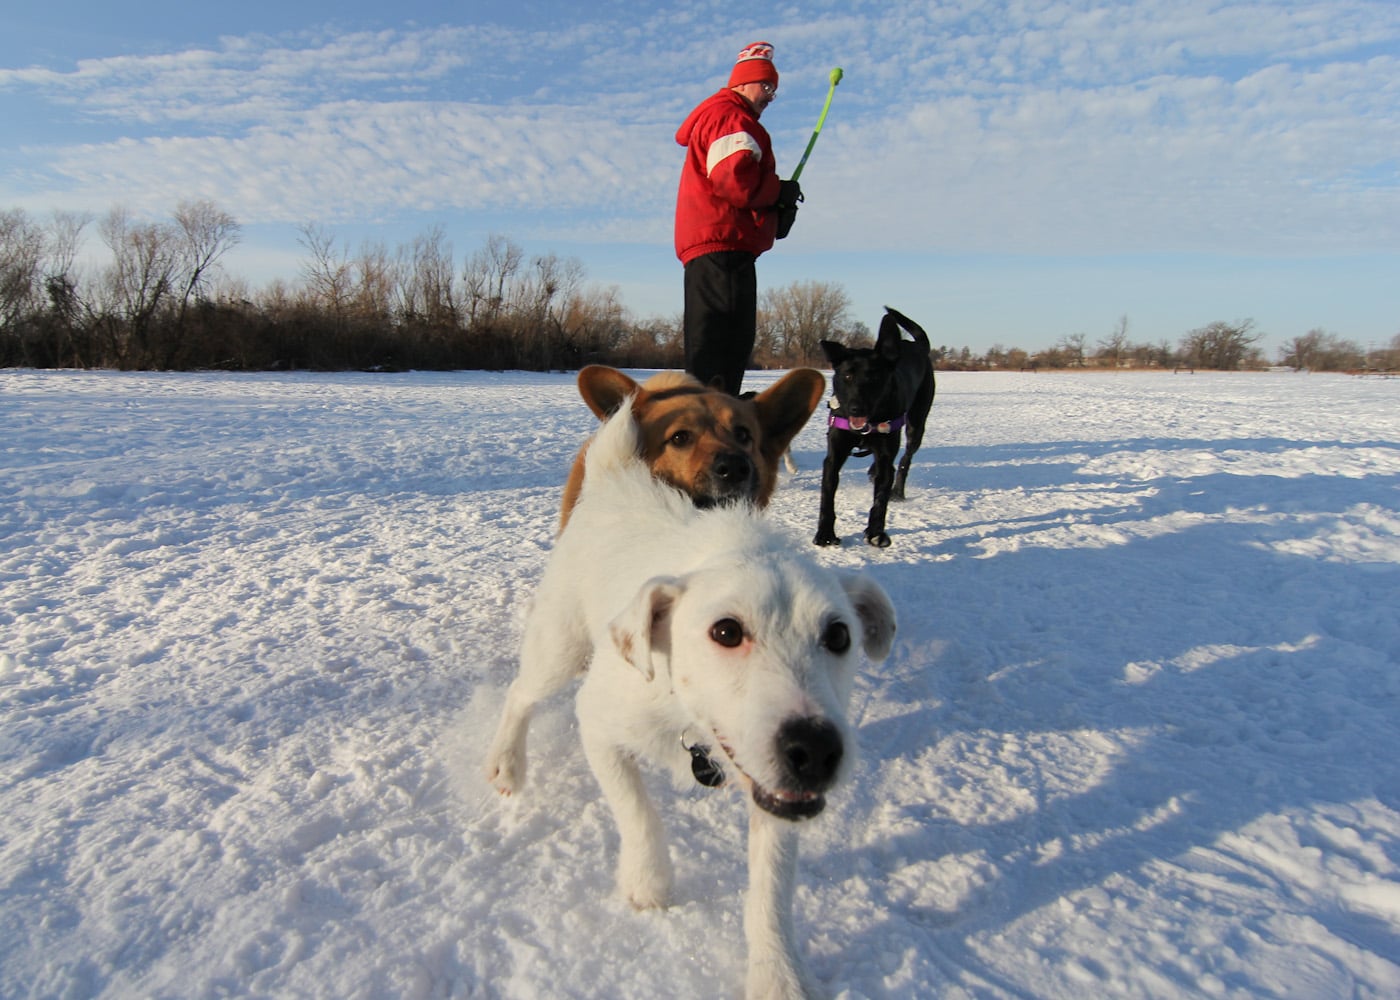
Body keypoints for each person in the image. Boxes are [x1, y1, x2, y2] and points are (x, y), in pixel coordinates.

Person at [674, 41, 802, 395]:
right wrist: (778, 192)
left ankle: (709, 424)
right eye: (766, 86)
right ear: (744, 82)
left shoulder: (722, 116)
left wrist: (773, 213)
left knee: (711, 349)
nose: (770, 96)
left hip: (714, 246)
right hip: (724, 248)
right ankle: (712, 433)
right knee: (723, 350)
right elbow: (735, 181)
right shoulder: (731, 116)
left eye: (774, 89)